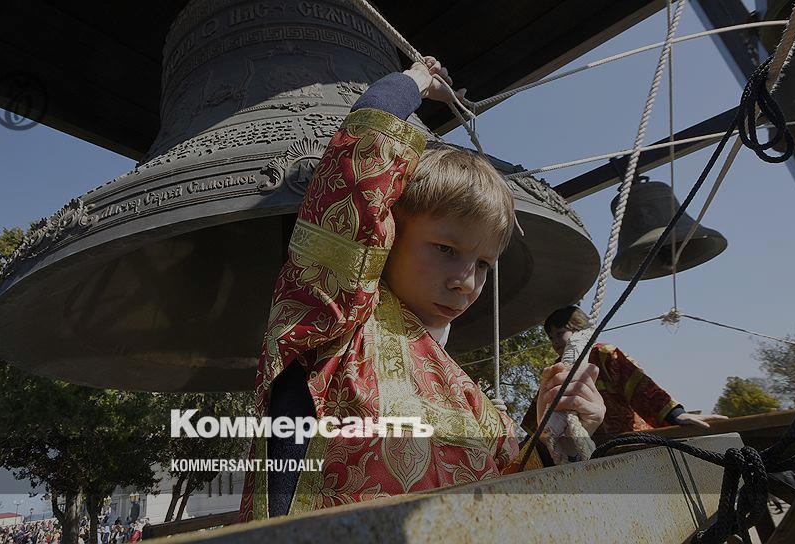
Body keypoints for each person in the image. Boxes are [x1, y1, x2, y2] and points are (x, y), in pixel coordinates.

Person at [238, 57, 605, 522]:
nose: (465, 282)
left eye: (483, 264)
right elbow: (358, 170)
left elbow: (516, 503)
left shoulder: (478, 407)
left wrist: (563, 431)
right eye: (446, 249)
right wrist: (414, 82)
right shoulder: (337, 320)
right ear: (388, 232)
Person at [540, 306, 726, 441]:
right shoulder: (557, 370)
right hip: (589, 448)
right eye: (551, 337)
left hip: (631, 441)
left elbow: (640, 387)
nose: (555, 341)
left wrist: (676, 414)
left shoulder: (604, 354)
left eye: (560, 333)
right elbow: (541, 416)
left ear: (579, 329)